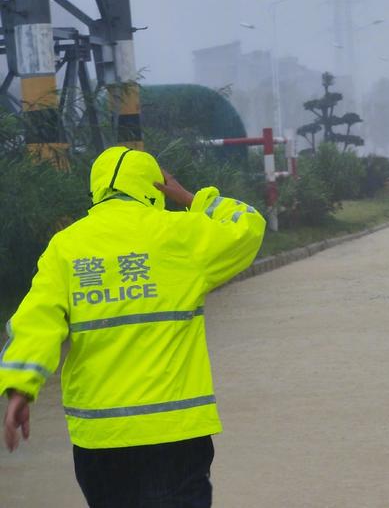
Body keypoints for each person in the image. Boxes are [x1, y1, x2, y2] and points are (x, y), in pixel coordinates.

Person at [1, 146, 266, 507]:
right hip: (173, 436)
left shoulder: (65, 247)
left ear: (96, 188)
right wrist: (190, 197)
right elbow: (248, 225)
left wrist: (20, 387)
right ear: (155, 187)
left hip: (99, 441)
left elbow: (36, 321)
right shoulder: (179, 235)